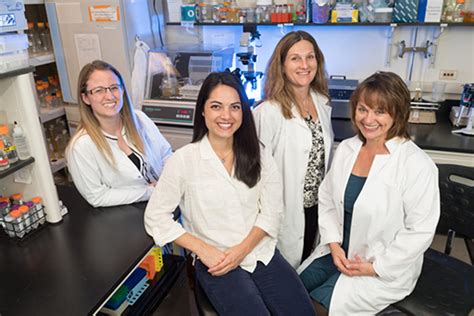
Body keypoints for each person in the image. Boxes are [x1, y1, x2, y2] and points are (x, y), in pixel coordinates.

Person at [144, 72, 314, 315]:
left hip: (259, 252)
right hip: (216, 262)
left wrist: (241, 250)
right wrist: (203, 250)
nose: (226, 115)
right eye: (216, 106)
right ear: (202, 111)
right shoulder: (183, 161)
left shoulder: (260, 155)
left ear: (243, 112)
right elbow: (156, 217)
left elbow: (272, 212)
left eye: (235, 107)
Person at [298, 71, 440, 314]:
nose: (368, 119)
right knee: (289, 289)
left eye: (380, 111)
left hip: (380, 267)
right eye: (363, 109)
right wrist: (333, 244)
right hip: (338, 252)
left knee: (314, 308)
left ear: (398, 113)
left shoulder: (416, 164)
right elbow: (328, 198)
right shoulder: (347, 148)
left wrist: (375, 268)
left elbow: (420, 231)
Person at [253, 30, 334, 268]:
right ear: (282, 65)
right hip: (282, 211)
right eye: (295, 58)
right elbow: (254, 173)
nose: (304, 65)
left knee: (307, 264)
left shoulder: (322, 102)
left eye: (310, 57)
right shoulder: (267, 112)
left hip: (315, 208)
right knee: (282, 274)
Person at [66, 60, 172, 207]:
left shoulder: (139, 118)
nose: (109, 96)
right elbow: (97, 197)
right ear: (85, 98)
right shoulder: (82, 146)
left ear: (122, 90)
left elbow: (166, 154)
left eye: (114, 88)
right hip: (127, 217)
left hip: (166, 202)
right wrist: (150, 192)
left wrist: (169, 183)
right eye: (99, 90)